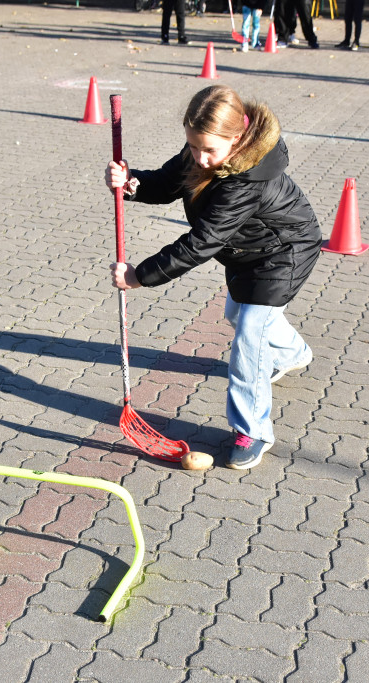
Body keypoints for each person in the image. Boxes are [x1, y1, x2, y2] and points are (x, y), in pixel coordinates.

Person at [104, 85, 321, 470]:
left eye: (209, 151)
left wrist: (141, 276)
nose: (200, 158)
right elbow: (168, 182)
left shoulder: (248, 180)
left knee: (249, 337)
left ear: (237, 139)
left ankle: (252, 431)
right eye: (192, 147)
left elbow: (200, 242)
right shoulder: (203, 151)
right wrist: (133, 182)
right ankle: (293, 353)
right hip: (246, 250)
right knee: (238, 315)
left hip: (283, 253)